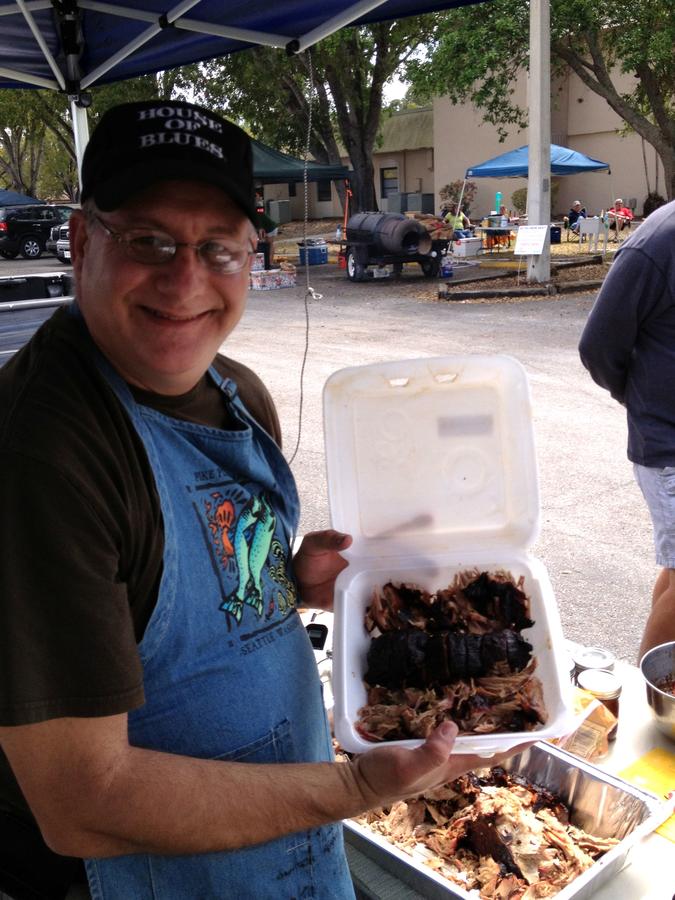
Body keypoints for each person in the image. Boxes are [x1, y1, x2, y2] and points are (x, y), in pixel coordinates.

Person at [0, 100, 517, 900]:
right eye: (149, 242)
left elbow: (190, 584)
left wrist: (290, 578)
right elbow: (84, 803)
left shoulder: (233, 391)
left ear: (252, 254)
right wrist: (353, 791)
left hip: (281, 851)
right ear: (79, 241)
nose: (185, 281)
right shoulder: (41, 454)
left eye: (218, 248)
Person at [578, 199, 675, 662]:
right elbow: (599, 345)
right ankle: (652, 701)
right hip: (669, 445)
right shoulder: (660, 242)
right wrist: (641, 401)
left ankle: (653, 694)